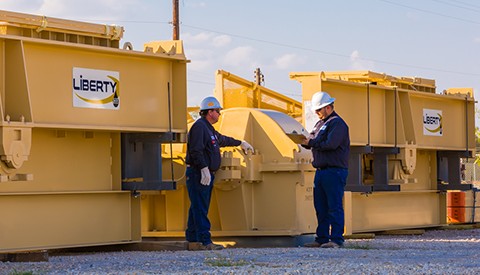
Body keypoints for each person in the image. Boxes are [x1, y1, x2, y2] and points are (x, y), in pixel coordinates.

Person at [185, 96, 254, 250]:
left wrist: (240, 142)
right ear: (210, 111)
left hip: (204, 172)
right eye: (217, 111)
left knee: (197, 205)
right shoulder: (199, 127)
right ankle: (205, 241)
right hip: (198, 173)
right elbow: (195, 150)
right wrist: (203, 168)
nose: (219, 114)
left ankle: (193, 237)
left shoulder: (208, 128)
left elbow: (221, 140)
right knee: (200, 206)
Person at [301, 91, 350, 248]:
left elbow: (331, 144)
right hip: (322, 171)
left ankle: (336, 239)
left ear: (328, 107)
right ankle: (321, 238)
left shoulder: (338, 124)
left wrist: (311, 142)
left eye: (319, 110)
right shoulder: (320, 124)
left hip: (334, 171)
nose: (316, 113)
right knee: (321, 206)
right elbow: (314, 140)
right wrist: (304, 141)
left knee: (334, 206)